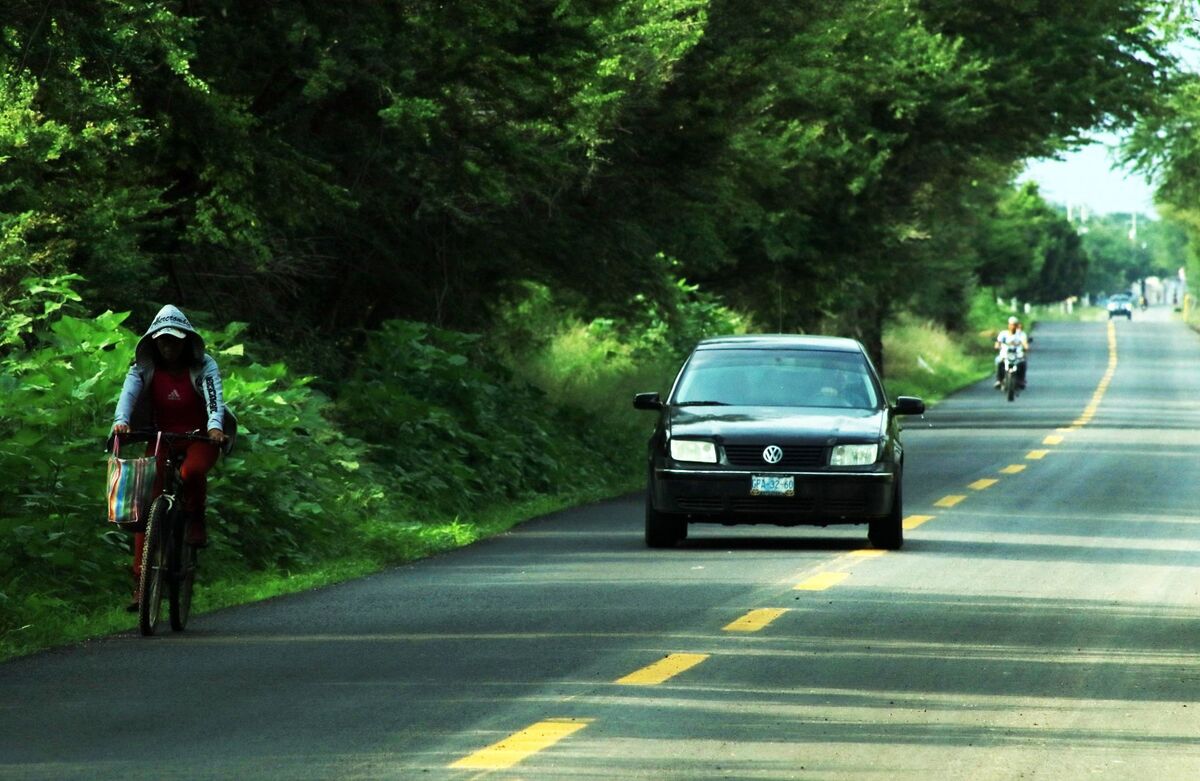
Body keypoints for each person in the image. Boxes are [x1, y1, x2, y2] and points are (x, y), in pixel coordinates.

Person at [112, 305, 227, 611]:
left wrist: (215, 428)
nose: (168, 347)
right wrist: (121, 422)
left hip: (200, 437)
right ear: (155, 343)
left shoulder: (204, 366)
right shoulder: (143, 368)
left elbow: (214, 398)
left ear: (185, 342)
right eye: (163, 341)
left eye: (174, 341)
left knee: (191, 472)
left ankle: (195, 519)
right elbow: (128, 395)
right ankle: (141, 582)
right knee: (145, 506)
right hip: (161, 437)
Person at [994, 315, 1029, 389]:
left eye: (1015, 325)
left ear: (1017, 326)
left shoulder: (1021, 334)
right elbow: (998, 342)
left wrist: (1026, 347)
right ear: (1009, 325)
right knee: (999, 362)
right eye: (1011, 325)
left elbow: (1024, 343)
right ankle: (999, 380)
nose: (1013, 327)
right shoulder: (1003, 334)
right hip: (1005, 354)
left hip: (1017, 354)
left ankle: (1021, 380)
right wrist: (997, 346)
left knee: (1023, 362)